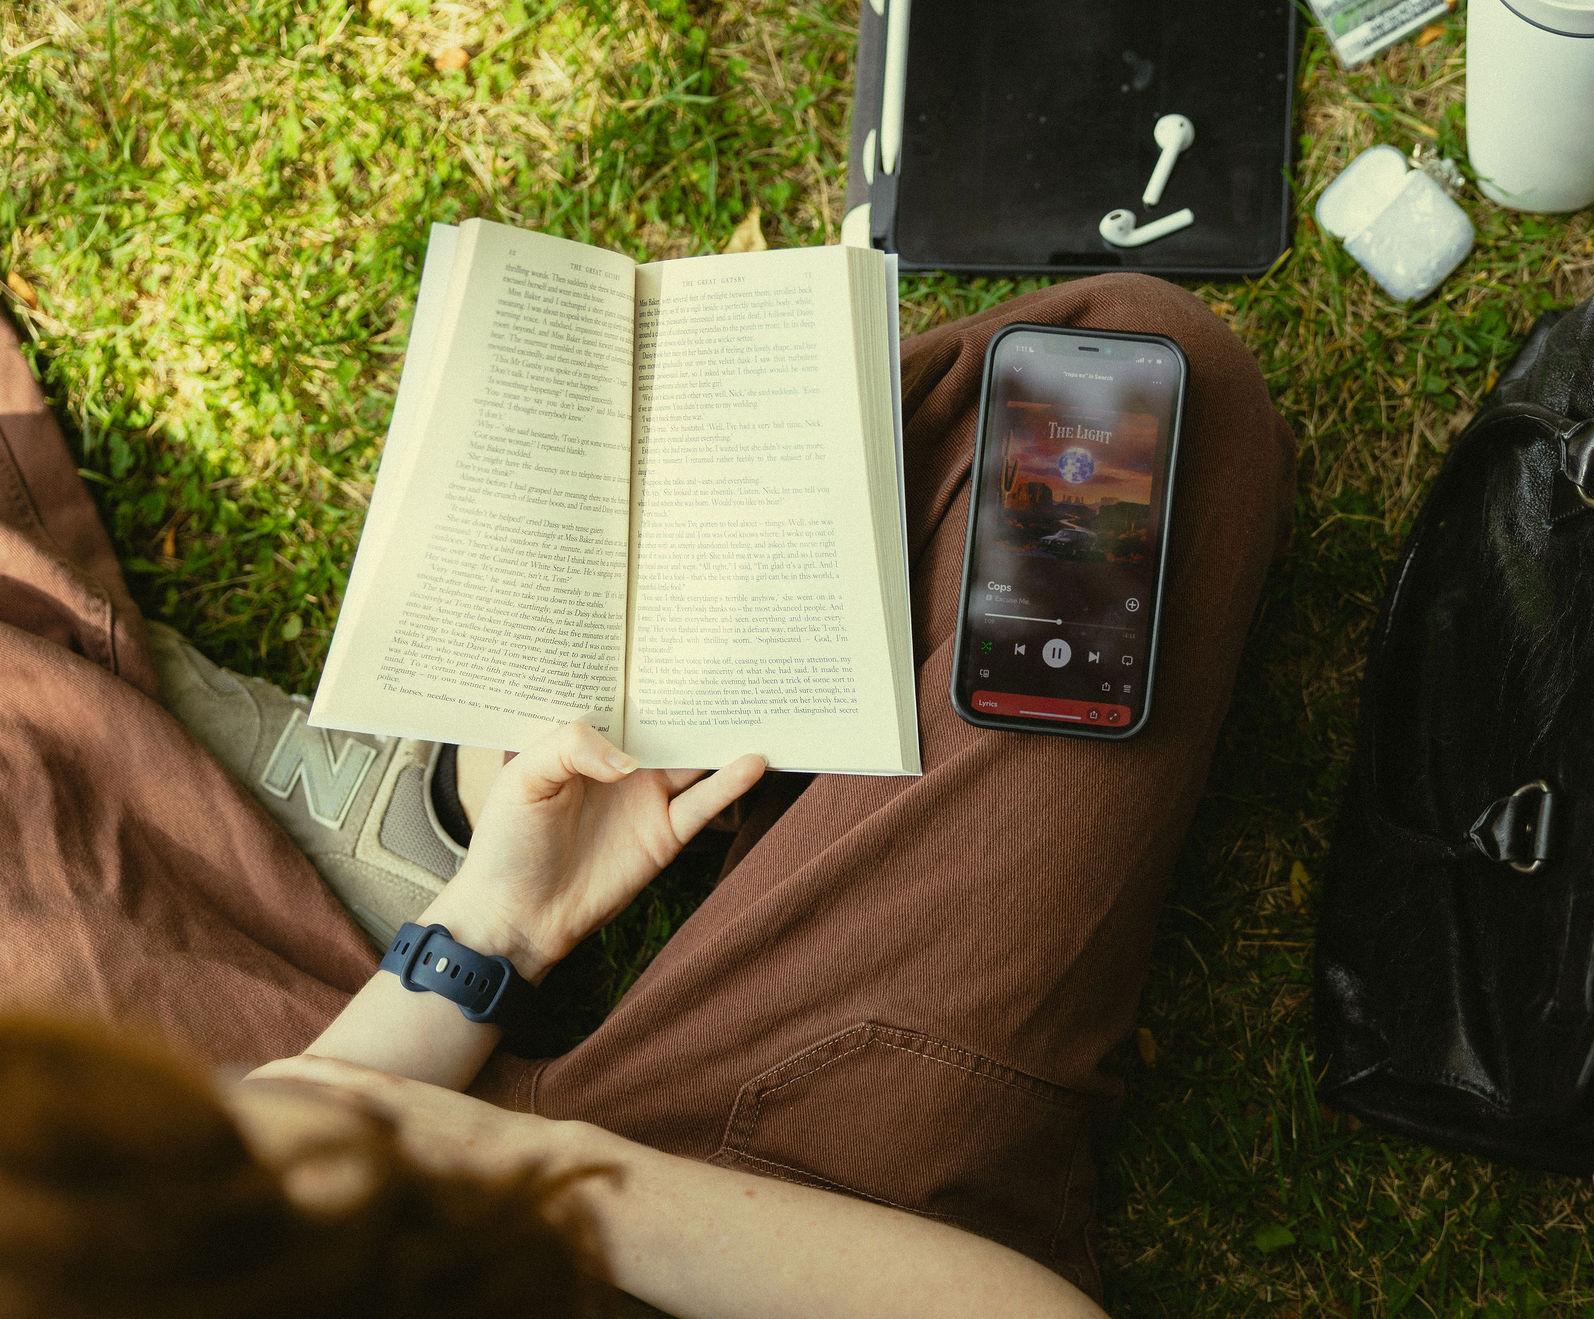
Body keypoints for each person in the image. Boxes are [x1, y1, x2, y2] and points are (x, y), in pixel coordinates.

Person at [0, 269, 1295, 1315]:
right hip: (748, 1227)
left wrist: (484, 934)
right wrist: (508, 1162)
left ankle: (512, 824)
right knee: (1131, 406)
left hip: (454, 1160)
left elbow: (288, 1126)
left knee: (1102, 393)